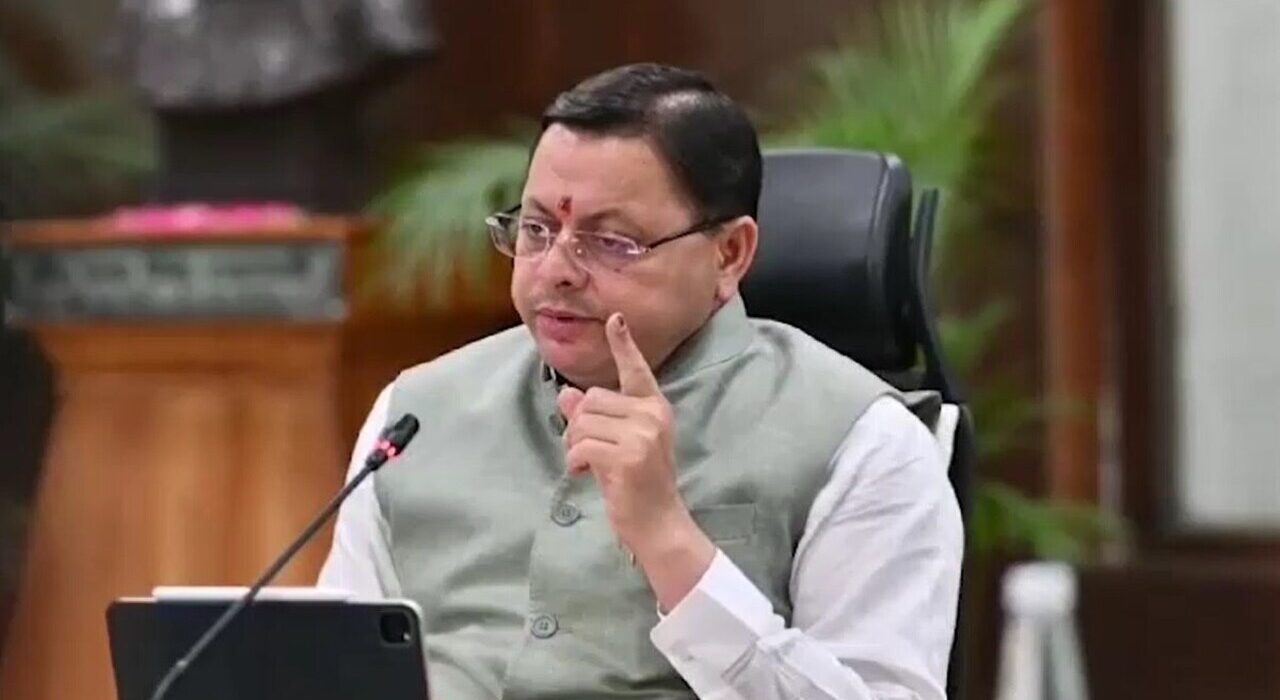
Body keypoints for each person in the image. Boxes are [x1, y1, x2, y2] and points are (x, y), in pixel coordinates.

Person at [319, 63, 963, 700]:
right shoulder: (415, 418)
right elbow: (328, 668)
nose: (556, 269)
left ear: (729, 254)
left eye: (610, 242)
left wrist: (669, 540)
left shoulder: (863, 441)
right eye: (537, 229)